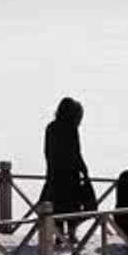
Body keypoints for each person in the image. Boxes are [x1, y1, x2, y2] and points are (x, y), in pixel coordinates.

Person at [41, 97, 93, 241]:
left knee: (57, 205)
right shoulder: (71, 128)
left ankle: (59, 235)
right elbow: (75, 152)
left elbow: (46, 150)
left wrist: (51, 167)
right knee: (72, 206)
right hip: (70, 174)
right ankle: (71, 234)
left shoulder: (51, 127)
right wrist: (84, 169)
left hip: (54, 173)